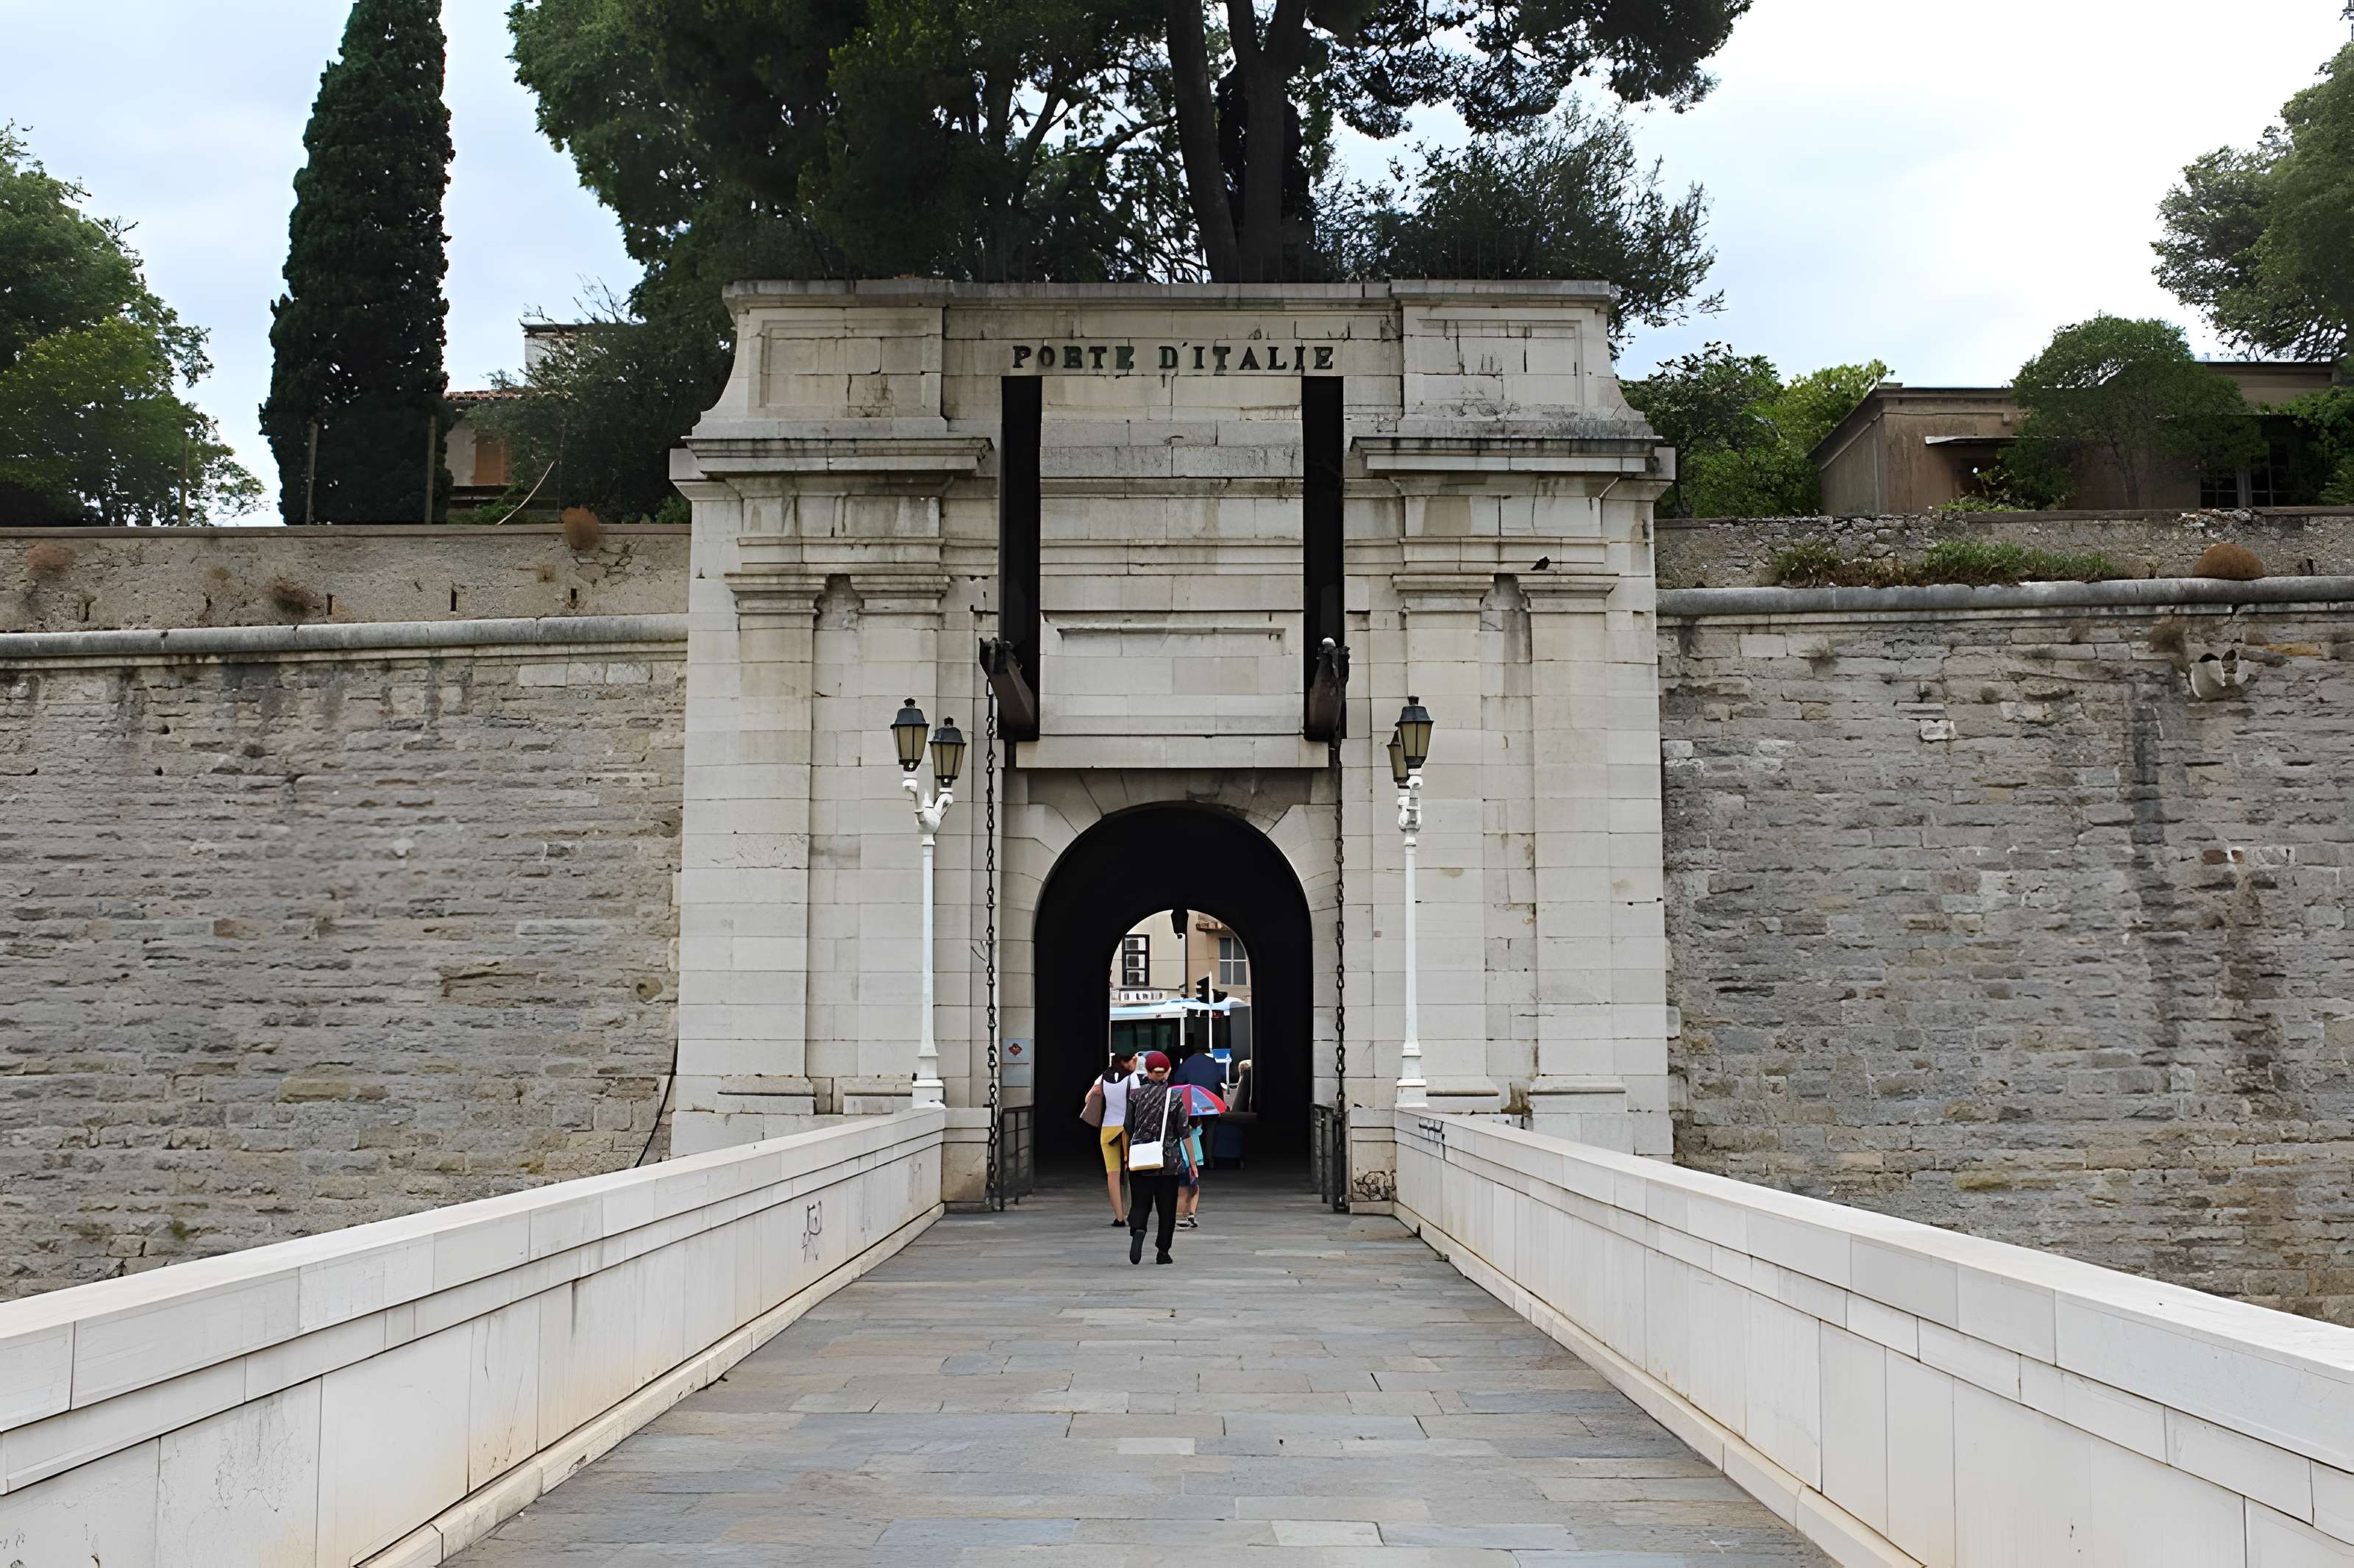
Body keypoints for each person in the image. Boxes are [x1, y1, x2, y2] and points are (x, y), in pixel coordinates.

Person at [1123, 1051, 1191, 1265]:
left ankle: (1139, 1228)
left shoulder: (1134, 1095)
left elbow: (1128, 1126)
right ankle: (1163, 1251)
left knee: (1140, 1201)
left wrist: (1128, 1152)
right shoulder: (1176, 1097)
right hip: (1169, 1162)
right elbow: (1184, 1131)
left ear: (1148, 1072)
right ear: (1168, 1071)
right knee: (1167, 1208)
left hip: (1141, 1159)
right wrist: (1193, 1164)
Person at [1081, 1048, 1141, 1226]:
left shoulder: (1102, 1078)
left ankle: (1119, 1217)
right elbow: (1137, 1103)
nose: (1135, 1063)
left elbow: (1088, 1099)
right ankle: (1133, 1212)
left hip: (1108, 1129)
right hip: (1128, 1129)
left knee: (1112, 1174)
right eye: (1133, 1060)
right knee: (1133, 1173)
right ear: (1125, 1062)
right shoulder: (1133, 1078)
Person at [1170, 1040, 1223, 1228]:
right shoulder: (1212, 1063)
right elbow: (1219, 1080)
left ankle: (1191, 1158)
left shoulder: (1188, 1063)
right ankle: (1209, 1158)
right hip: (1208, 1102)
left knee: (1188, 1133)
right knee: (1209, 1132)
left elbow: (1179, 1079)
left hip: (1191, 1106)